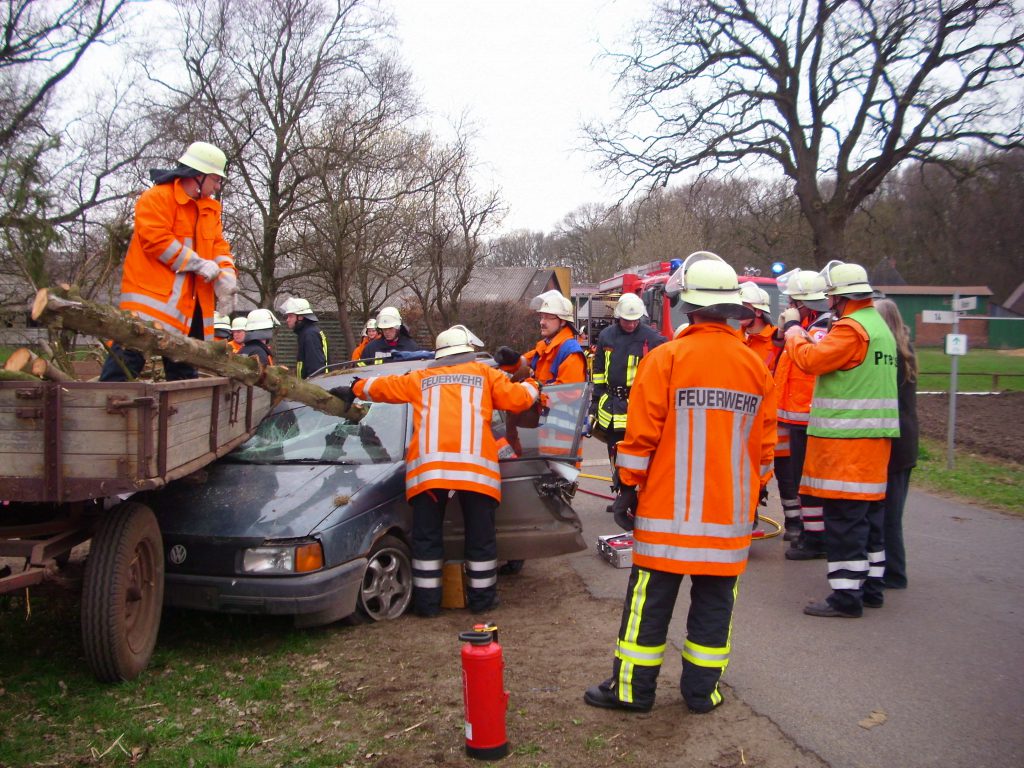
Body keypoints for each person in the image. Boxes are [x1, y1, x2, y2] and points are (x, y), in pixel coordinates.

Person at [584, 251, 776, 714]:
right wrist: (752, 497)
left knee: (648, 607)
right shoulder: (755, 368)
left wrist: (627, 488)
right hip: (727, 520)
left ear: (687, 305)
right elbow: (763, 449)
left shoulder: (667, 359)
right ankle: (702, 693)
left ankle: (631, 691)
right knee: (714, 609)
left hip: (666, 516)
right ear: (734, 309)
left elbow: (640, 435)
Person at [334, 325, 540, 616]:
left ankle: (427, 605)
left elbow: (383, 387)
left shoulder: (420, 379)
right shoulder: (484, 376)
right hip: (475, 474)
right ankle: (482, 601)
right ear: (468, 351)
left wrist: (354, 388)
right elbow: (519, 399)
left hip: (430, 474)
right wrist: (535, 384)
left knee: (426, 539)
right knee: (480, 538)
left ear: (439, 354)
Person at [784, 261, 899, 618]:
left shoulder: (851, 329)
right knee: (869, 516)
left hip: (847, 443)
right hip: (875, 441)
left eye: (831, 297)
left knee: (844, 518)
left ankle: (846, 597)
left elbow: (810, 359)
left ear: (841, 298)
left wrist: (792, 330)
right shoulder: (879, 326)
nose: (828, 304)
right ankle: (872, 587)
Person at [100, 141, 237, 382]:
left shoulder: (209, 210)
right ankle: (103, 413)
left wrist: (227, 279)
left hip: (191, 310)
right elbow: (156, 240)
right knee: (124, 365)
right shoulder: (156, 198)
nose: (217, 186)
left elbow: (219, 247)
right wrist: (198, 263)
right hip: (151, 307)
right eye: (215, 179)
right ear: (198, 175)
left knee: (184, 375)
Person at [497, 289, 587, 575]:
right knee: (542, 493)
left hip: (560, 439)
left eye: (548, 317)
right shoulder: (547, 347)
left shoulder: (569, 352)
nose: (542, 321)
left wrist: (535, 390)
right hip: (545, 433)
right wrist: (510, 362)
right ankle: (525, 549)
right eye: (542, 316)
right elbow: (527, 364)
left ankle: (550, 543)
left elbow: (567, 395)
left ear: (563, 321)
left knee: (553, 495)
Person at [773, 269, 832, 548]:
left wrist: (795, 329)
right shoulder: (810, 325)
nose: (789, 307)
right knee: (799, 478)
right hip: (795, 415)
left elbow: (810, 360)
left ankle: (814, 536)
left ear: (803, 302)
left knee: (806, 480)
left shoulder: (822, 328)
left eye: (793, 302)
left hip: (808, 416)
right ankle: (810, 533)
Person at [589, 292, 666, 462]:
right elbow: (600, 370)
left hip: (637, 406)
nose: (631, 324)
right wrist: (595, 400)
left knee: (637, 456)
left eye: (635, 320)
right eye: (626, 320)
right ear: (618, 317)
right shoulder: (606, 336)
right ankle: (619, 483)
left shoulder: (652, 339)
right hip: (610, 405)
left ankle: (629, 487)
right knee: (614, 454)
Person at [874, 298, 918, 590]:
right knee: (893, 511)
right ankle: (892, 568)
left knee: (889, 513)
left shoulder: (889, 355)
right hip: (907, 440)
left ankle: (893, 573)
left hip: (894, 441)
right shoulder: (906, 352)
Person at [280, 297, 328, 379]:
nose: (287, 320)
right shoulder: (307, 332)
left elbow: (315, 368)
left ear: (301, 317)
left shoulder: (310, 334)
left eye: (290, 316)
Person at [738, 283, 778, 369]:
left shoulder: (778, 340)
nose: (739, 312)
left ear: (758, 312)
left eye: (744, 307)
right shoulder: (733, 337)